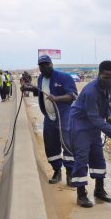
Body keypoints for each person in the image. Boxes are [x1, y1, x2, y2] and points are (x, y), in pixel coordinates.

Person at [69, 60, 111, 208]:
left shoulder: (108, 87)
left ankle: (99, 190)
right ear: (99, 75)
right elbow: (94, 118)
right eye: (106, 77)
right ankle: (81, 195)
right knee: (82, 157)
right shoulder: (90, 91)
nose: (110, 80)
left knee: (98, 156)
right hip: (81, 124)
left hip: (94, 124)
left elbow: (106, 107)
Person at [21, 54, 77, 185]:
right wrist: (28, 87)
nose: (44, 67)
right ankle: (57, 171)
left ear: (51, 64)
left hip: (64, 116)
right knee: (50, 145)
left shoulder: (64, 77)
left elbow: (73, 95)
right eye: (41, 65)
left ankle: (70, 173)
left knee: (67, 145)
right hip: (49, 117)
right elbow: (40, 92)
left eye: (46, 65)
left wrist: (57, 98)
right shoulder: (41, 78)